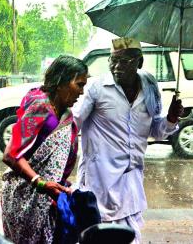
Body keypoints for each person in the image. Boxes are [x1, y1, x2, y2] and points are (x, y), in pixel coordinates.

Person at [73, 38, 184, 244]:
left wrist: (170, 119)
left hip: (131, 184)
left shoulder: (150, 86)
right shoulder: (97, 88)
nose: (116, 67)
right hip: (100, 182)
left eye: (124, 61)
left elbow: (155, 131)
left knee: (129, 238)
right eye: (112, 60)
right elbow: (73, 123)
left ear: (139, 62)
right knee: (98, 237)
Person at [1, 55, 88, 244]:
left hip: (50, 196)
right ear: (61, 82)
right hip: (26, 199)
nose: (81, 92)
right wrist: (41, 183)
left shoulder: (64, 113)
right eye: (79, 85)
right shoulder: (41, 106)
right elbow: (10, 155)